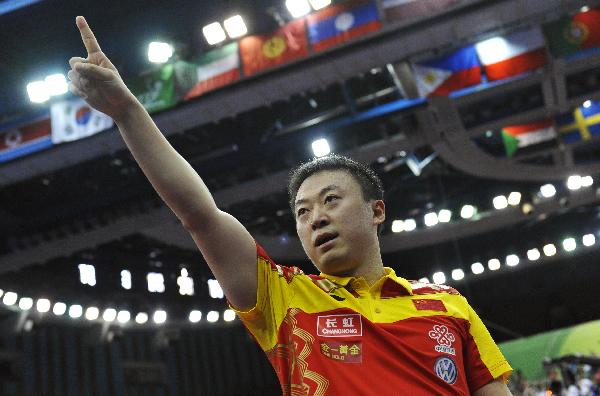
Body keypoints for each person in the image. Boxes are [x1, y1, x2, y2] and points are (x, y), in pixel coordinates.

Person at [69, 16, 513, 395]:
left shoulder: (447, 305)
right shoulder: (282, 299)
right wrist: (128, 112)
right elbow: (199, 214)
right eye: (302, 212)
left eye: (331, 201)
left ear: (376, 211)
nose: (316, 216)